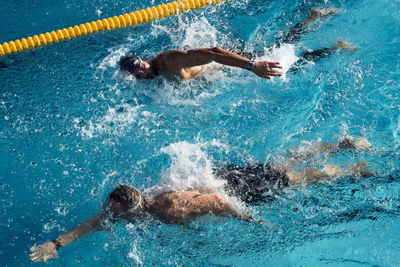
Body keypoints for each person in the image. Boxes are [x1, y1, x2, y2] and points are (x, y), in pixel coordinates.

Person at [30, 135, 374, 263]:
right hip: (224, 174)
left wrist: (249, 218)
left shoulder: (170, 209)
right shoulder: (140, 200)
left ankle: (349, 166)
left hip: (233, 191)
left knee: (293, 178)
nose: (110, 218)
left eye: (115, 214)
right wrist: (57, 243)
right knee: (281, 165)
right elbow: (96, 222)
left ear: (130, 212)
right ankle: (338, 144)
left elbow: (217, 202)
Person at [119, 7, 354, 81]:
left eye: (139, 66)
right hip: (225, 70)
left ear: (145, 59)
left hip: (231, 61)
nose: (140, 73)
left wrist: (253, 66)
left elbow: (214, 52)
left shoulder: (168, 61)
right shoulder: (154, 74)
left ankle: (329, 40)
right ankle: (313, 25)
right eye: (136, 73)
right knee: (280, 51)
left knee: (285, 65)